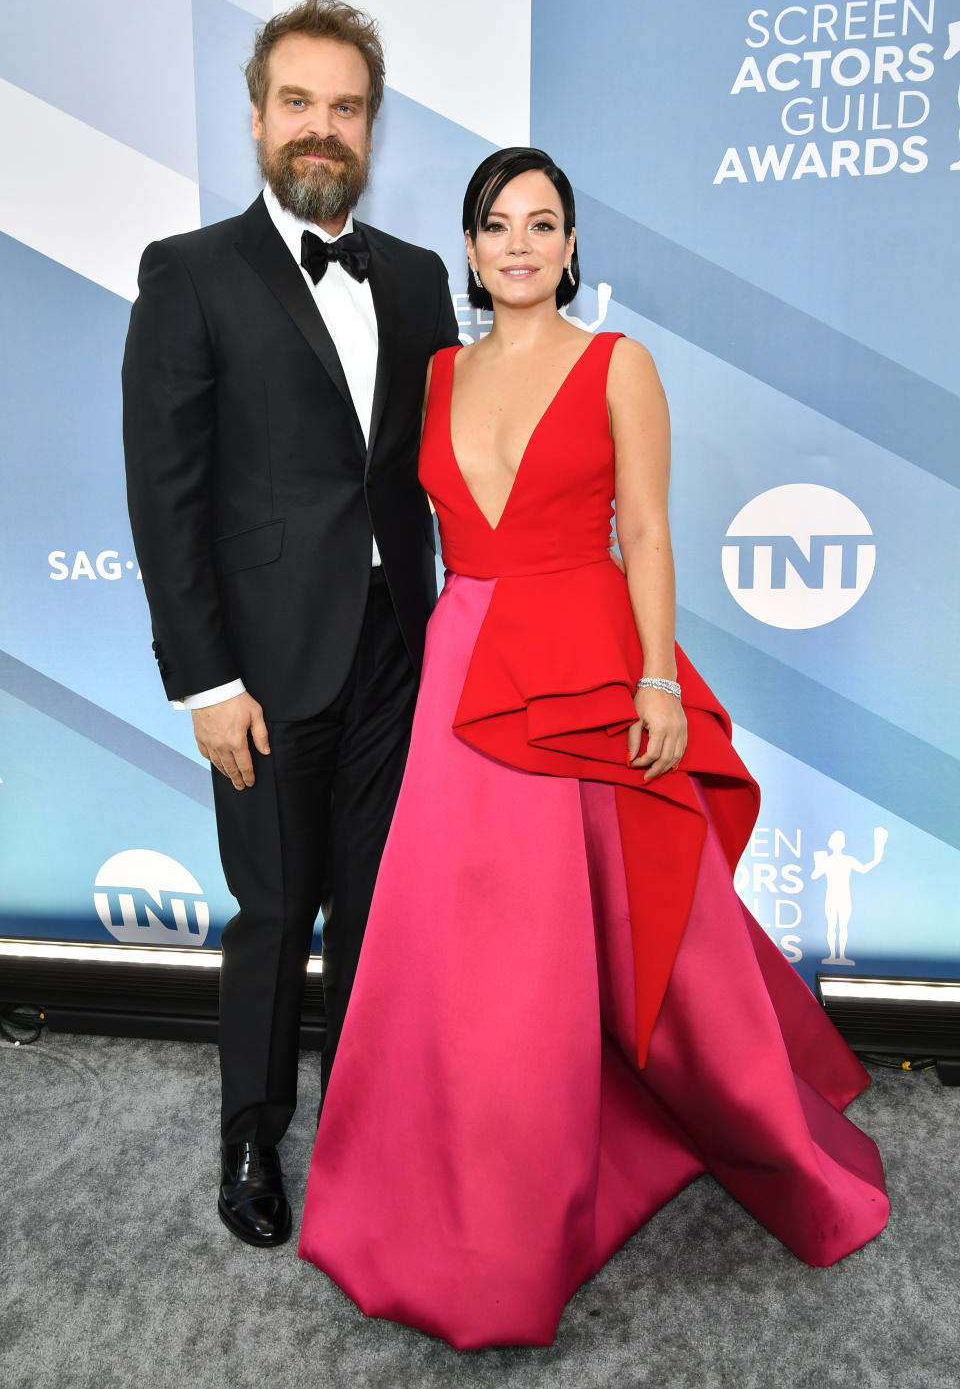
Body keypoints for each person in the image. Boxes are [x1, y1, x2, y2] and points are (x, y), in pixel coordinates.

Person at [297, 147, 889, 1348]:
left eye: (544, 223)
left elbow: (652, 533)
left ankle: (753, 1124)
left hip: (589, 664)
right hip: (465, 676)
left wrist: (661, 674)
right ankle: (461, 1208)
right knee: (469, 959)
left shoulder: (622, 366)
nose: (521, 243)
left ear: (571, 247)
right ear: (470, 250)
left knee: (649, 929)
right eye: (498, 225)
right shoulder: (435, 371)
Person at [122, 0, 459, 1249]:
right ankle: (254, 1135)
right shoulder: (192, 271)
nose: (324, 129)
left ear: (374, 129)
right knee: (275, 907)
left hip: (396, 650)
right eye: (301, 103)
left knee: (378, 906)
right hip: (261, 665)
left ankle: (368, 1123)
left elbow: (440, 465)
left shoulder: (420, 279)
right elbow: (169, 495)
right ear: (260, 116)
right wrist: (203, 681)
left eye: (348, 108)